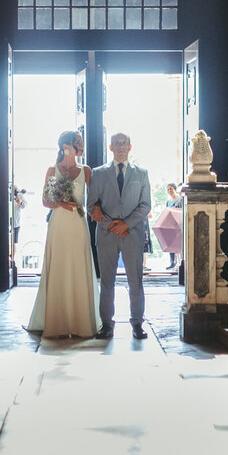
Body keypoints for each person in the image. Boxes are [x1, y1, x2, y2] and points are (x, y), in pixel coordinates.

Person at [25, 130, 101, 339]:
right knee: (58, 267)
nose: (82, 146)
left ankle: (81, 322)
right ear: (66, 146)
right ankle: (57, 321)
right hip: (58, 225)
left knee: (78, 267)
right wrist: (59, 203)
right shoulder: (52, 170)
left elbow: (94, 199)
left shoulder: (86, 170)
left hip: (78, 224)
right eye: (78, 142)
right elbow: (44, 201)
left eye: (81, 142)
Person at [85, 132, 151, 339]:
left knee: (135, 280)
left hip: (132, 233)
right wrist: (110, 225)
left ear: (130, 147)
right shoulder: (98, 173)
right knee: (106, 281)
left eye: (124, 144)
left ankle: (138, 323)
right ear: (111, 147)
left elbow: (146, 205)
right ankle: (106, 324)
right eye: (117, 143)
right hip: (106, 234)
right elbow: (90, 206)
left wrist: (126, 224)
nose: (121, 147)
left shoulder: (141, 173)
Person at [164, 182, 183, 269]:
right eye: (168, 189)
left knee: (178, 244)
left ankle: (180, 263)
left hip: (178, 224)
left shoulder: (180, 199)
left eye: (171, 189)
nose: (169, 191)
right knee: (170, 243)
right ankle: (172, 263)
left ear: (175, 189)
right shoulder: (168, 201)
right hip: (170, 225)